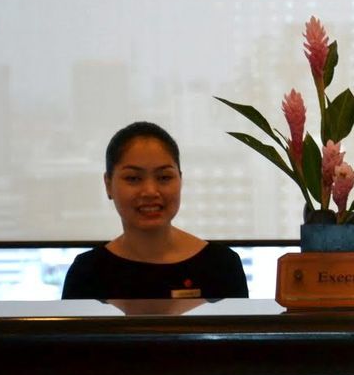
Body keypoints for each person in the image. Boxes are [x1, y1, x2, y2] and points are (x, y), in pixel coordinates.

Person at [62, 121, 249, 300]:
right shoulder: (86, 272)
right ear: (108, 184)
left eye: (164, 177)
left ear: (180, 180)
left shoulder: (222, 265)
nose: (150, 191)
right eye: (133, 178)